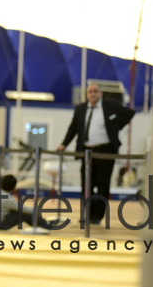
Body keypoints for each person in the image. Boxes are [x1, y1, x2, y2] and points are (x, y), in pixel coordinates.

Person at [57, 83, 135, 224]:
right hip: (87, 151)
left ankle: (98, 216)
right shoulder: (81, 109)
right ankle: (86, 214)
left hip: (105, 151)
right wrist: (64, 144)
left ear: (101, 94)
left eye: (95, 91)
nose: (92, 94)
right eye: (90, 92)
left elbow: (130, 113)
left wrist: (116, 126)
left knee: (102, 186)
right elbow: (73, 128)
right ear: (87, 94)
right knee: (86, 185)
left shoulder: (110, 105)